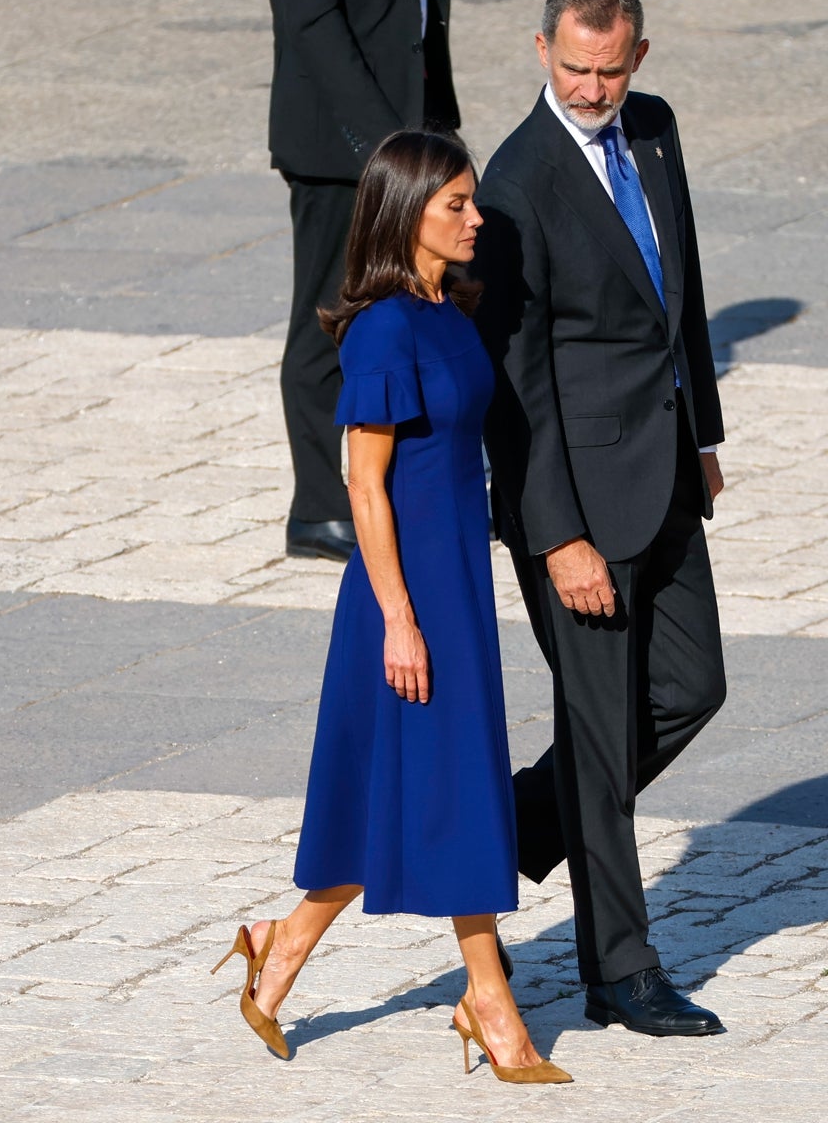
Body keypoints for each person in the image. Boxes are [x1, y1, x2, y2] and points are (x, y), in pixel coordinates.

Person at [213, 132, 571, 1084]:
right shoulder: (382, 329)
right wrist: (401, 618)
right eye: (455, 203)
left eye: (471, 201)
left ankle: (278, 948)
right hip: (402, 596)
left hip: (452, 580)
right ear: (404, 209)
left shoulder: (449, 307)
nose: (474, 218)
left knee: (402, 793)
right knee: (450, 784)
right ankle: (490, 1001)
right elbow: (363, 488)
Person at [472, 0, 728, 1037]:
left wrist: (703, 431)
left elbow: (685, 290)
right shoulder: (517, 185)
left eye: (609, 71)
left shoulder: (654, 129)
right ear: (542, 53)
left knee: (690, 688)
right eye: (574, 68)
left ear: (640, 59)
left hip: (663, 468)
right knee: (598, 718)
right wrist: (558, 535)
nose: (590, 89)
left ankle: (513, 827)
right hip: (573, 500)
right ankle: (619, 973)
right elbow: (515, 384)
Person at [254, 0, 460, 561]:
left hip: (405, 126)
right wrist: (383, 145)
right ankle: (319, 508)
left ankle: (415, 484)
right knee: (329, 315)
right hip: (343, 145)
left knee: (409, 305)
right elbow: (311, 18)